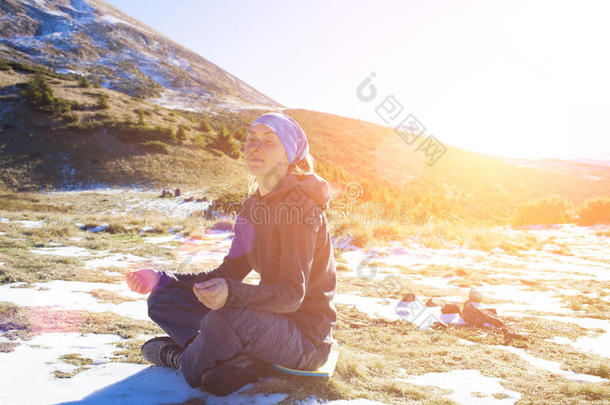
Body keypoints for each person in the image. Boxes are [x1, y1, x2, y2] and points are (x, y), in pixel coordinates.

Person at [125, 112, 337, 396]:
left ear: (288, 154)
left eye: (268, 141)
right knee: (163, 299)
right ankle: (232, 358)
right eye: (251, 140)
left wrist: (231, 295)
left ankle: (183, 359)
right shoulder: (252, 209)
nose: (255, 147)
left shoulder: (300, 209)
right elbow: (228, 273)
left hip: (305, 340)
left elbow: (291, 295)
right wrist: (164, 278)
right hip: (267, 321)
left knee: (222, 319)